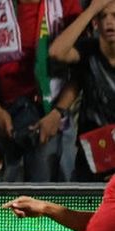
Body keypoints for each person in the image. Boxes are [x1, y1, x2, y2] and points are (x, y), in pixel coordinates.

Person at [0, 0, 83, 182]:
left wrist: (57, 112)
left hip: (49, 117)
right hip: (4, 119)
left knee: (45, 200)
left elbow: (81, 71)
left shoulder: (66, 5)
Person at [48, 0, 115, 181]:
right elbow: (56, 52)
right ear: (95, 23)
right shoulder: (89, 50)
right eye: (103, 17)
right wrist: (92, 9)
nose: (109, 22)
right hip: (92, 155)